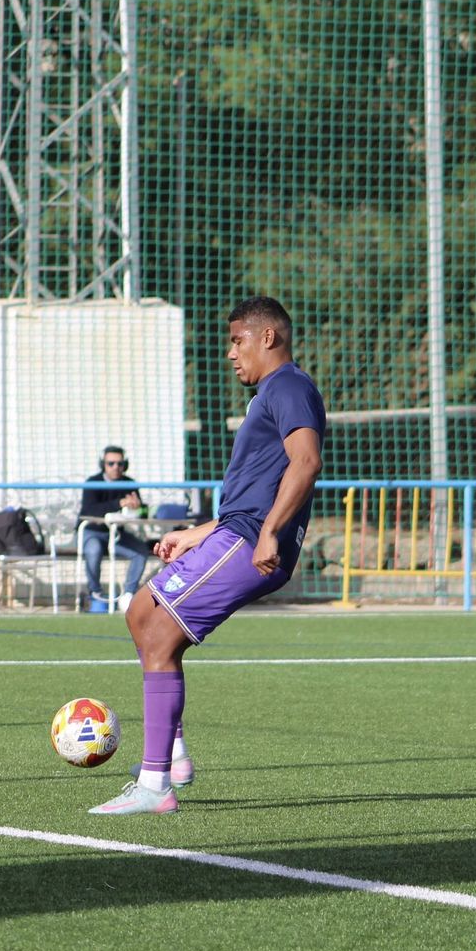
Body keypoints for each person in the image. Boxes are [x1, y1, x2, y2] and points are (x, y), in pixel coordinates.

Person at [90, 295, 325, 815]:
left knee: (158, 631)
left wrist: (270, 532)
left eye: (238, 340)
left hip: (249, 543)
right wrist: (196, 534)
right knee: (141, 613)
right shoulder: (271, 393)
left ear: (269, 338)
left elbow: (305, 463)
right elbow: (257, 489)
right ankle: (170, 757)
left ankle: (155, 786)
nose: (230, 353)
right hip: (234, 534)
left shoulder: (288, 385)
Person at [79, 446, 149, 612]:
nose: (116, 467)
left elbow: (143, 512)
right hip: (93, 532)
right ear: (103, 464)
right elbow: (88, 511)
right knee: (93, 550)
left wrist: (137, 507)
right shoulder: (92, 482)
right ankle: (95, 593)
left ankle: (128, 594)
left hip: (116, 534)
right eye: (111, 463)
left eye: (120, 463)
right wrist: (118, 503)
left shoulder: (129, 483)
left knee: (140, 552)